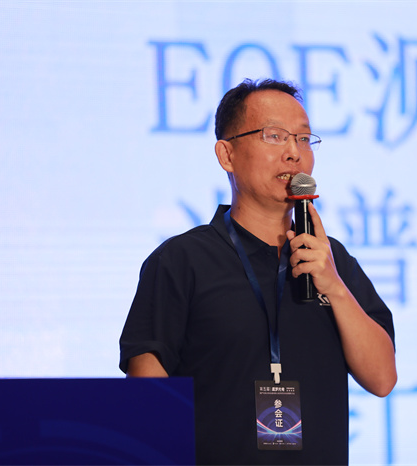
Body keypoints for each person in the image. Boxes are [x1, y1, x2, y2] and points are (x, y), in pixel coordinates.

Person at [119, 78, 396, 465]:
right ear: (227, 155)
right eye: (274, 136)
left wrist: (333, 286)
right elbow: (147, 387)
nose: (293, 153)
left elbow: (382, 379)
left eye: (303, 139)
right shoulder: (182, 260)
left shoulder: (332, 261)